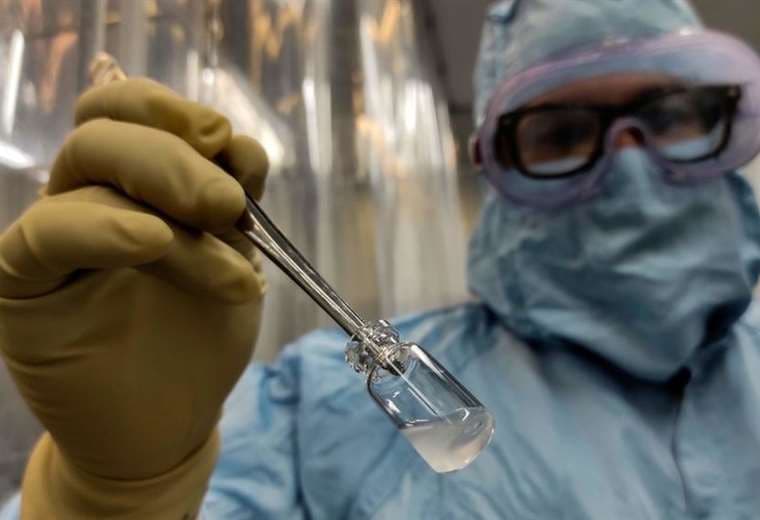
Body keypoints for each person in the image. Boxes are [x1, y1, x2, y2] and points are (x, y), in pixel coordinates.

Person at [3, 0, 760, 518]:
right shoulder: (312, 409)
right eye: (562, 135)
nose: (631, 169)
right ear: (495, 171)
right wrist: (112, 496)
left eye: (674, 117)